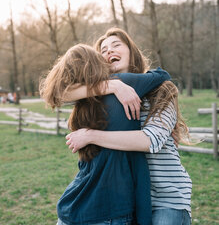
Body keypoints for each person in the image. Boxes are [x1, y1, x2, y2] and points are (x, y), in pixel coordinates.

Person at [64, 28, 192, 225]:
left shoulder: (161, 88)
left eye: (116, 45)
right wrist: (113, 86)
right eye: (103, 50)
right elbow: (58, 94)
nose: (109, 51)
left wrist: (90, 135)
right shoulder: (98, 94)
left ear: (132, 51)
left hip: (166, 198)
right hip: (129, 198)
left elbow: (152, 140)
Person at [40, 43, 170, 225]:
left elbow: (54, 92)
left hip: (75, 203)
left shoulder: (83, 101)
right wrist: (114, 84)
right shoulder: (125, 82)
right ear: (96, 62)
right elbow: (162, 75)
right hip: (110, 207)